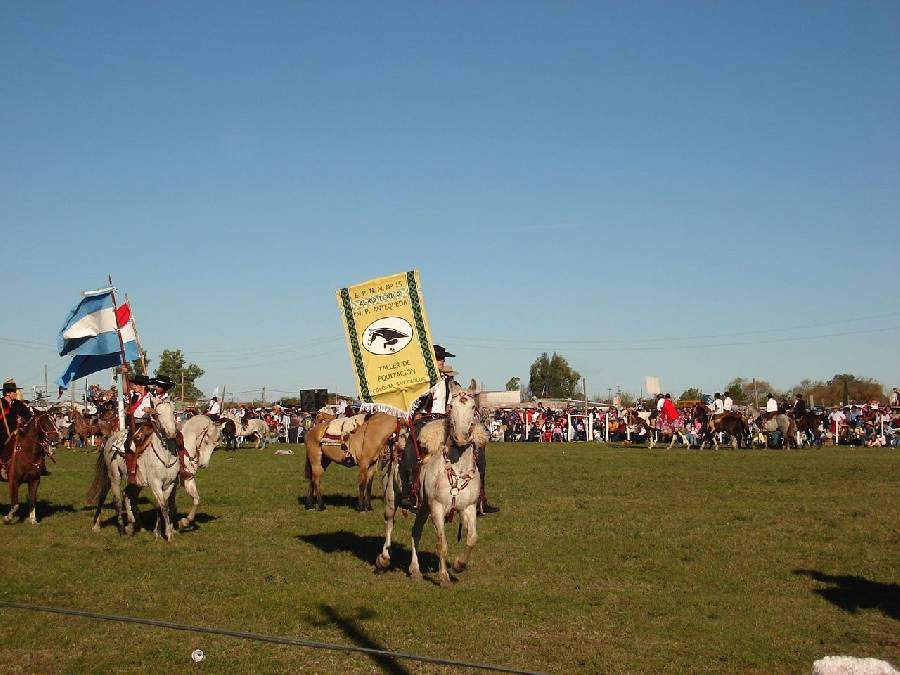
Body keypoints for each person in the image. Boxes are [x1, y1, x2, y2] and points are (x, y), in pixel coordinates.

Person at [1, 380, 33, 479]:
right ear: (7, 393)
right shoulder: (1, 403)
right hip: (2, 433)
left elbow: (28, 415)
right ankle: (3, 466)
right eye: (14, 392)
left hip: (18, 432)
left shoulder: (18, 404)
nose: (16, 393)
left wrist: (22, 421)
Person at [124, 374, 152, 484]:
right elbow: (125, 389)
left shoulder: (150, 397)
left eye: (135, 384)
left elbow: (156, 412)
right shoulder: (134, 396)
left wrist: (150, 410)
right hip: (133, 424)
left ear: (142, 386)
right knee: (127, 444)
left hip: (146, 424)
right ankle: (131, 471)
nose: (133, 386)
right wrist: (123, 373)